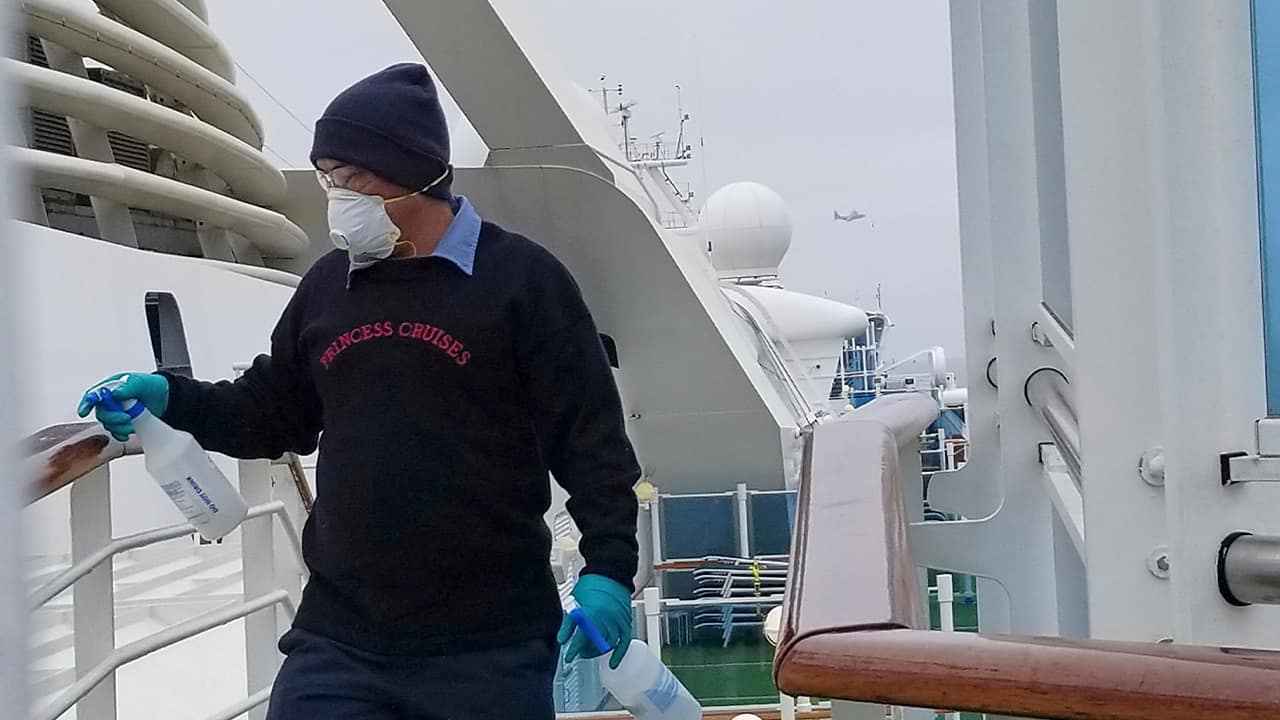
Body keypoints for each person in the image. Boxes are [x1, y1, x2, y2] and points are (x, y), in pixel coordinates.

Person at [77, 63, 640, 719]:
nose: (335, 194)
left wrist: (609, 572)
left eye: (351, 178)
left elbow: (591, 441)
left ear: (415, 175)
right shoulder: (327, 287)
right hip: (340, 639)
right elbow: (268, 414)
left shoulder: (523, 283)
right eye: (327, 177)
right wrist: (169, 398)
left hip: (491, 646)